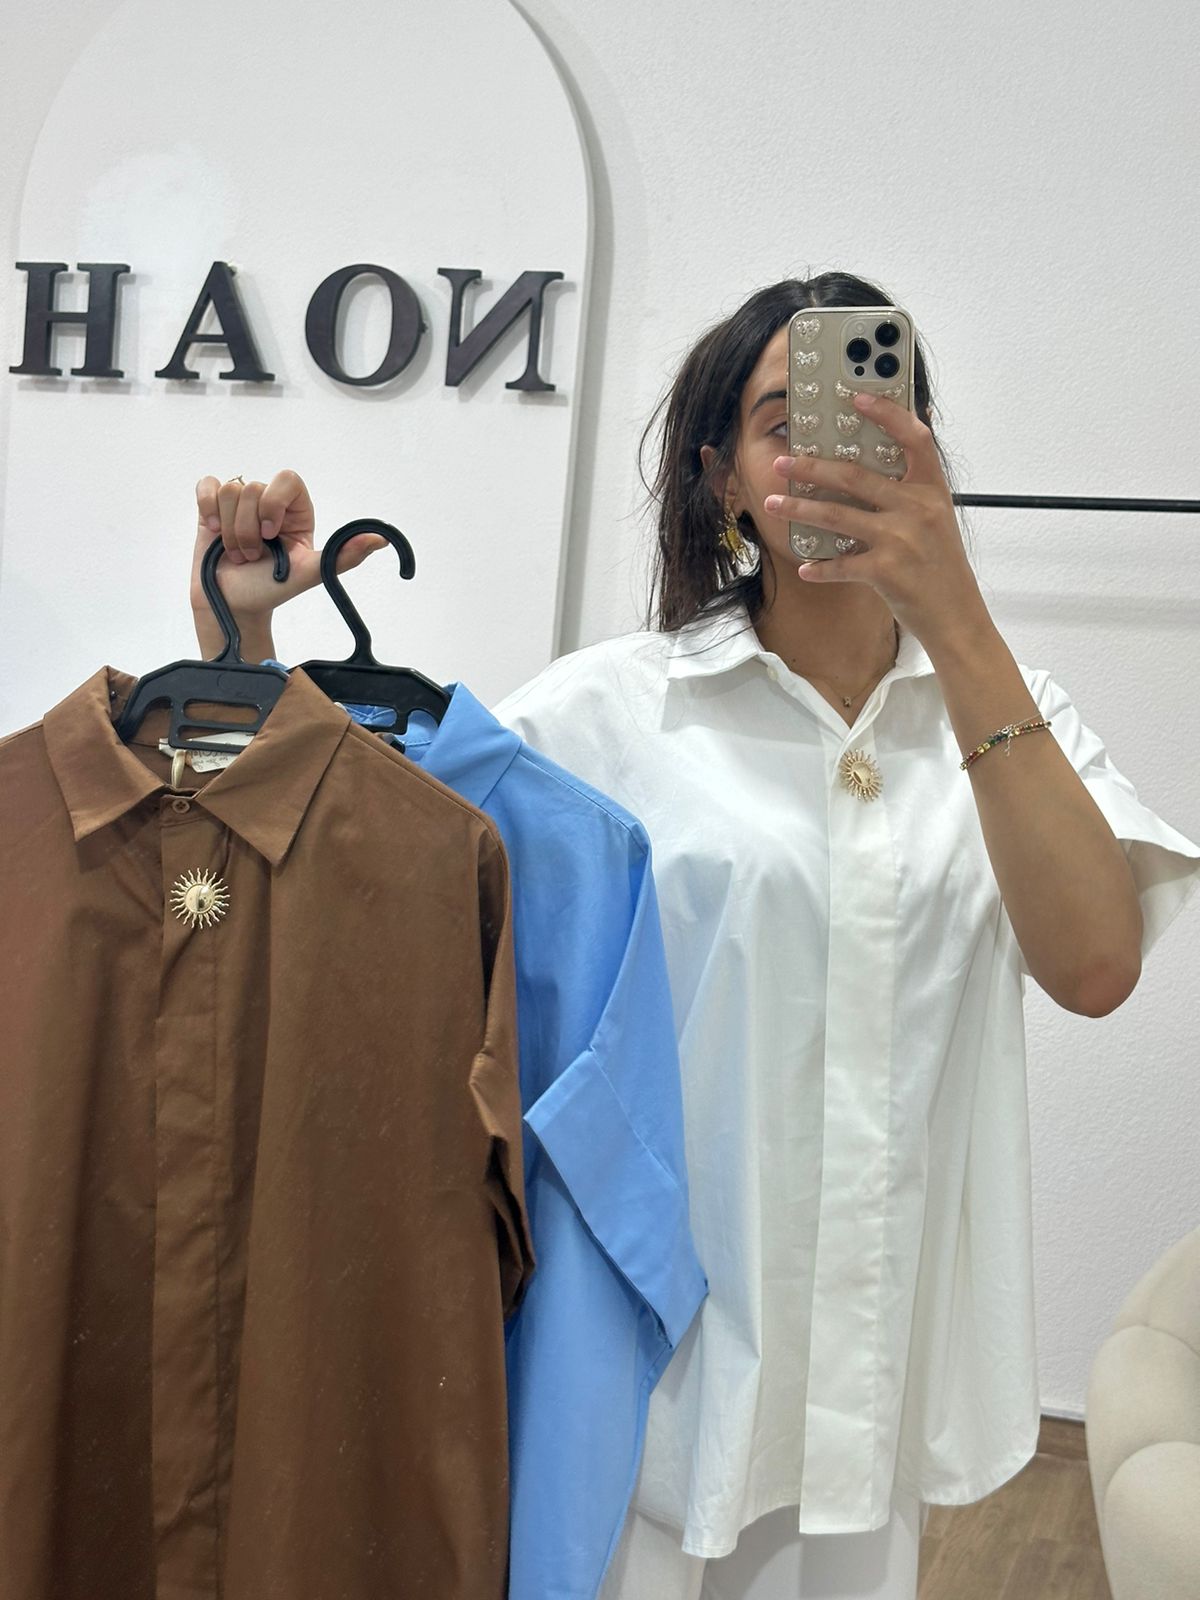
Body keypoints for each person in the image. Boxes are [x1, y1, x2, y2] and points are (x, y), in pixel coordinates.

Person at [188, 273, 1199, 1600]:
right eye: (787, 424)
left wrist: (956, 614)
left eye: (876, 417)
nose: (831, 455)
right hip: (653, 1382)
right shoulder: (616, 715)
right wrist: (239, 643)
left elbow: (1095, 966)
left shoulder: (1013, 719)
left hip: (870, 1397)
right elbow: (349, 865)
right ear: (724, 480)